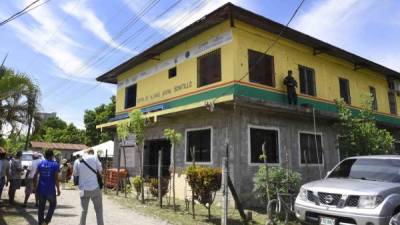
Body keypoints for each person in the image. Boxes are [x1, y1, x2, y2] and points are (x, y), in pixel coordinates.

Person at [76, 149, 104, 225]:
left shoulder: (78, 160)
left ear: (84, 153)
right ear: (91, 153)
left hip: (83, 189)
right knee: (99, 210)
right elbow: (100, 171)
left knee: (83, 210)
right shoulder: (94, 157)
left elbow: (76, 174)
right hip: (94, 187)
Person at [34, 150, 60, 225]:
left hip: (41, 189)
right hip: (50, 190)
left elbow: (35, 176)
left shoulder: (40, 163)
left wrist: (34, 186)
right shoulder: (55, 164)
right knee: (53, 205)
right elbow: (56, 179)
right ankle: (46, 221)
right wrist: (58, 189)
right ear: (52, 155)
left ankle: (41, 222)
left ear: (45, 156)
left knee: (41, 208)